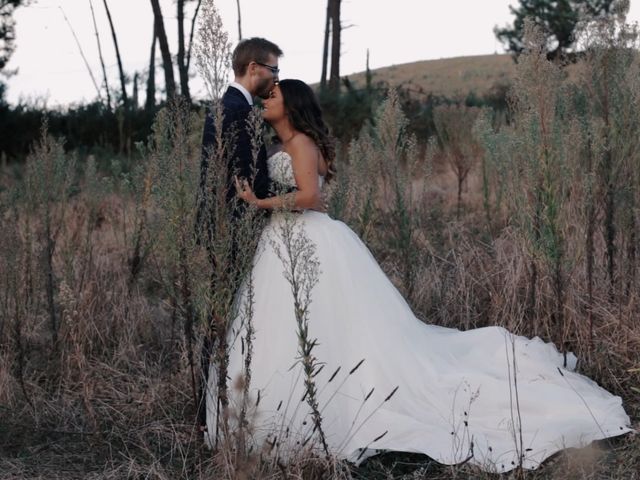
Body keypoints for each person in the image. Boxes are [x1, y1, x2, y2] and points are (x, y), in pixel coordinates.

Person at [204, 79, 632, 472]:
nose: (265, 100)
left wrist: (258, 203)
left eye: (274, 95)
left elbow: (312, 197)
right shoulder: (284, 144)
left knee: (325, 321)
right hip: (283, 243)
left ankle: (327, 404)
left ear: (291, 105)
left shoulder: (299, 142)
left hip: (308, 239)